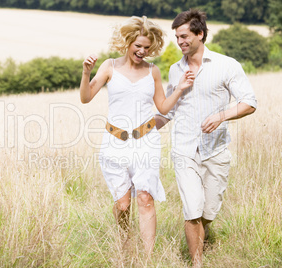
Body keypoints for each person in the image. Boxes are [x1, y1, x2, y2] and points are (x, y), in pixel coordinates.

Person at [80, 16, 195, 255]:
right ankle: (124, 243)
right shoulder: (110, 66)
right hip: (115, 142)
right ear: (128, 42)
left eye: (147, 47)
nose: (142, 51)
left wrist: (181, 89)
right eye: (138, 46)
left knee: (145, 198)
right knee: (123, 204)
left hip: (146, 142)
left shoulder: (153, 71)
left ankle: (148, 257)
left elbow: (162, 107)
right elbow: (86, 97)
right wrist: (86, 72)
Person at [155, 9, 257, 267]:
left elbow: (249, 103)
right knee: (192, 211)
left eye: (185, 36)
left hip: (216, 150)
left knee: (208, 213)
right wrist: (138, 132)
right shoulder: (174, 70)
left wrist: (221, 116)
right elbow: (169, 110)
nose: (180, 42)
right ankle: (196, 262)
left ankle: (203, 234)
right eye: (177, 37)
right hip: (184, 150)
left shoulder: (227, 65)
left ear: (200, 34)